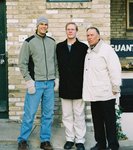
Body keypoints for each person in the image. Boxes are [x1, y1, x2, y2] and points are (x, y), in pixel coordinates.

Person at [17, 16, 58, 150]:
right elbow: (22, 63)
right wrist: (29, 81)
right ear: (37, 26)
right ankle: (22, 140)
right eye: (41, 24)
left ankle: (45, 140)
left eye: (46, 24)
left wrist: (56, 78)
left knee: (48, 114)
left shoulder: (52, 42)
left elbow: (55, 63)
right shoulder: (29, 42)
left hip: (49, 83)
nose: (44, 26)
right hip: (36, 84)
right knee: (30, 114)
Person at [83, 27, 122, 150]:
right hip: (94, 94)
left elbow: (115, 69)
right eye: (88, 35)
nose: (89, 37)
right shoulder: (89, 51)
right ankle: (100, 144)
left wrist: (116, 87)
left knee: (109, 122)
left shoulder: (106, 50)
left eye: (92, 35)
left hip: (106, 93)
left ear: (98, 36)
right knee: (97, 122)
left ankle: (113, 145)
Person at [56, 22, 88, 150]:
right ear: (66, 31)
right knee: (67, 115)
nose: (70, 31)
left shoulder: (82, 47)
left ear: (76, 31)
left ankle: (80, 140)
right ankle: (70, 139)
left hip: (79, 86)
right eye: (68, 29)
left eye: (72, 29)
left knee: (79, 115)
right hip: (64, 86)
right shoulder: (59, 47)